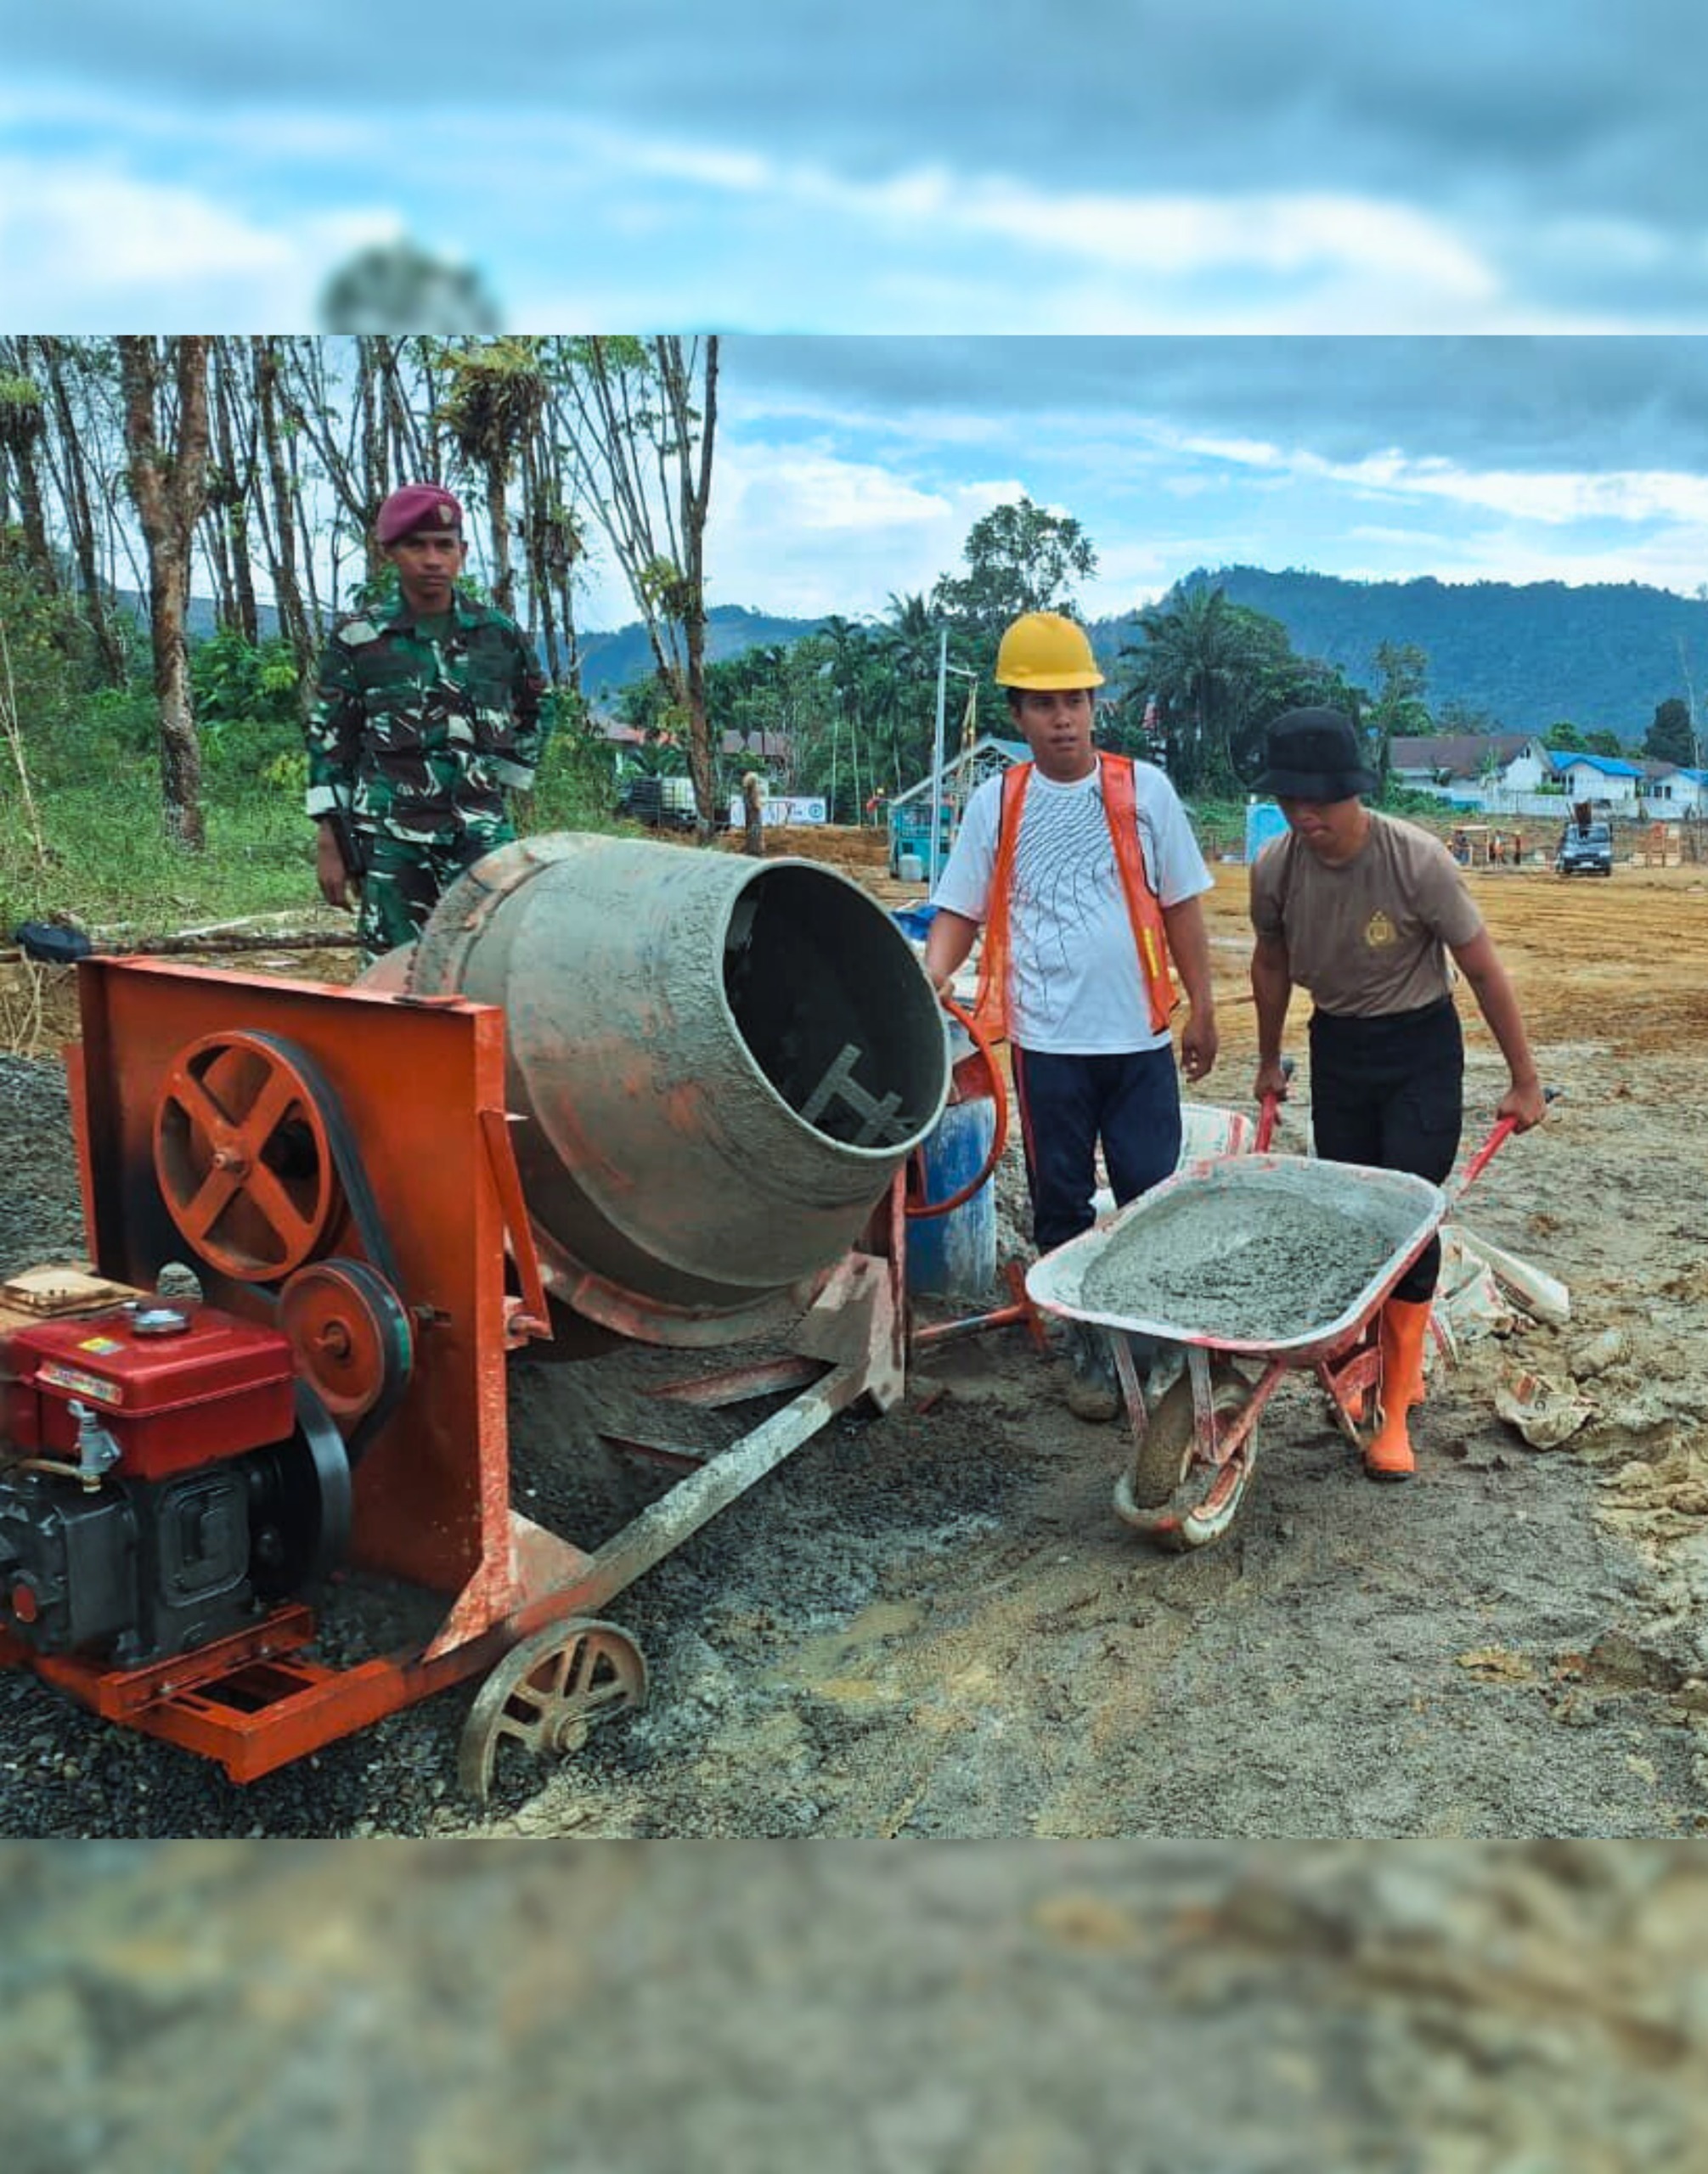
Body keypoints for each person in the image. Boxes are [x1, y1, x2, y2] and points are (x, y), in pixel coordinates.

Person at [922, 611, 1219, 1421]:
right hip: (1047, 1043)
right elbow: (959, 908)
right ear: (1017, 714)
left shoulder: (1144, 792)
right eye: (1043, 704)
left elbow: (1182, 906)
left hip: (1138, 1039)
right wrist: (932, 973)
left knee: (1149, 1193)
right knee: (1059, 1201)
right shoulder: (997, 803)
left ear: (1094, 706)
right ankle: (1086, 1345)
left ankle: (1148, 1336)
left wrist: (1202, 1007)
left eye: (1074, 702)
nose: (1062, 720)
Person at [1247, 707, 1547, 1481]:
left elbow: (1481, 969)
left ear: (1354, 790)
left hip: (1418, 1051)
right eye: (1289, 799)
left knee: (1408, 1215)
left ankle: (1397, 1402)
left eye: (1319, 798)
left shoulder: (1415, 861)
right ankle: (1364, 1357)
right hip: (1337, 1047)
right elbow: (1270, 964)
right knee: (1354, 1215)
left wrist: (1523, 1079)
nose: (1304, 814)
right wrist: (1269, 1059)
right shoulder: (1274, 868)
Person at [304, 482, 552, 965]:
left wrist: (499, 779)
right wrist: (330, 839)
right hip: (392, 839)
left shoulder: (498, 634)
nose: (433, 560)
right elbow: (329, 741)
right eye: (416, 546)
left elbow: (536, 707)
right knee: (392, 967)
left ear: (463, 552)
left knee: (487, 960)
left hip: (480, 836)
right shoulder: (359, 639)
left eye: (444, 545)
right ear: (390, 553)